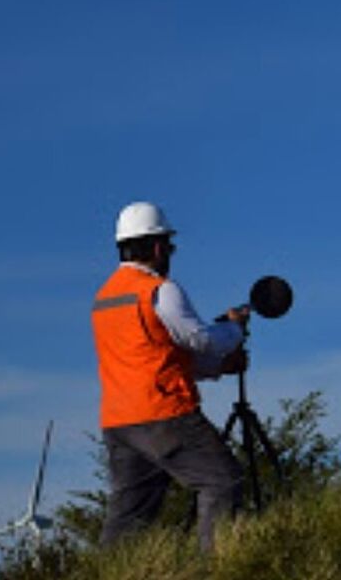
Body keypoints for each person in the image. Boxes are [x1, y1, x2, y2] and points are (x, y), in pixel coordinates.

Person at [91, 201, 248, 551]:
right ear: (159, 246)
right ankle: (217, 571)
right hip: (163, 414)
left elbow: (154, 355)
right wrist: (234, 331)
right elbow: (201, 339)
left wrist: (219, 368)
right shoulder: (159, 289)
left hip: (119, 423)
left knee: (129, 517)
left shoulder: (104, 299)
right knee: (223, 481)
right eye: (170, 246)